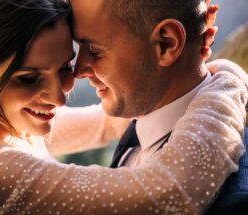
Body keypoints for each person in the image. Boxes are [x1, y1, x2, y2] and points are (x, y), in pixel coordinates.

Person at [0, 0, 246, 214]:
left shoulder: (4, 124)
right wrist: (229, 80)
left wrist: (193, 74)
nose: (59, 97)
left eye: (64, 68)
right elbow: (169, 195)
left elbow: (112, 119)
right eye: (28, 78)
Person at [69, 0, 248, 213]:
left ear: (167, 43)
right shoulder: (138, 120)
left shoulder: (237, 201)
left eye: (95, 51)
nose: (78, 71)